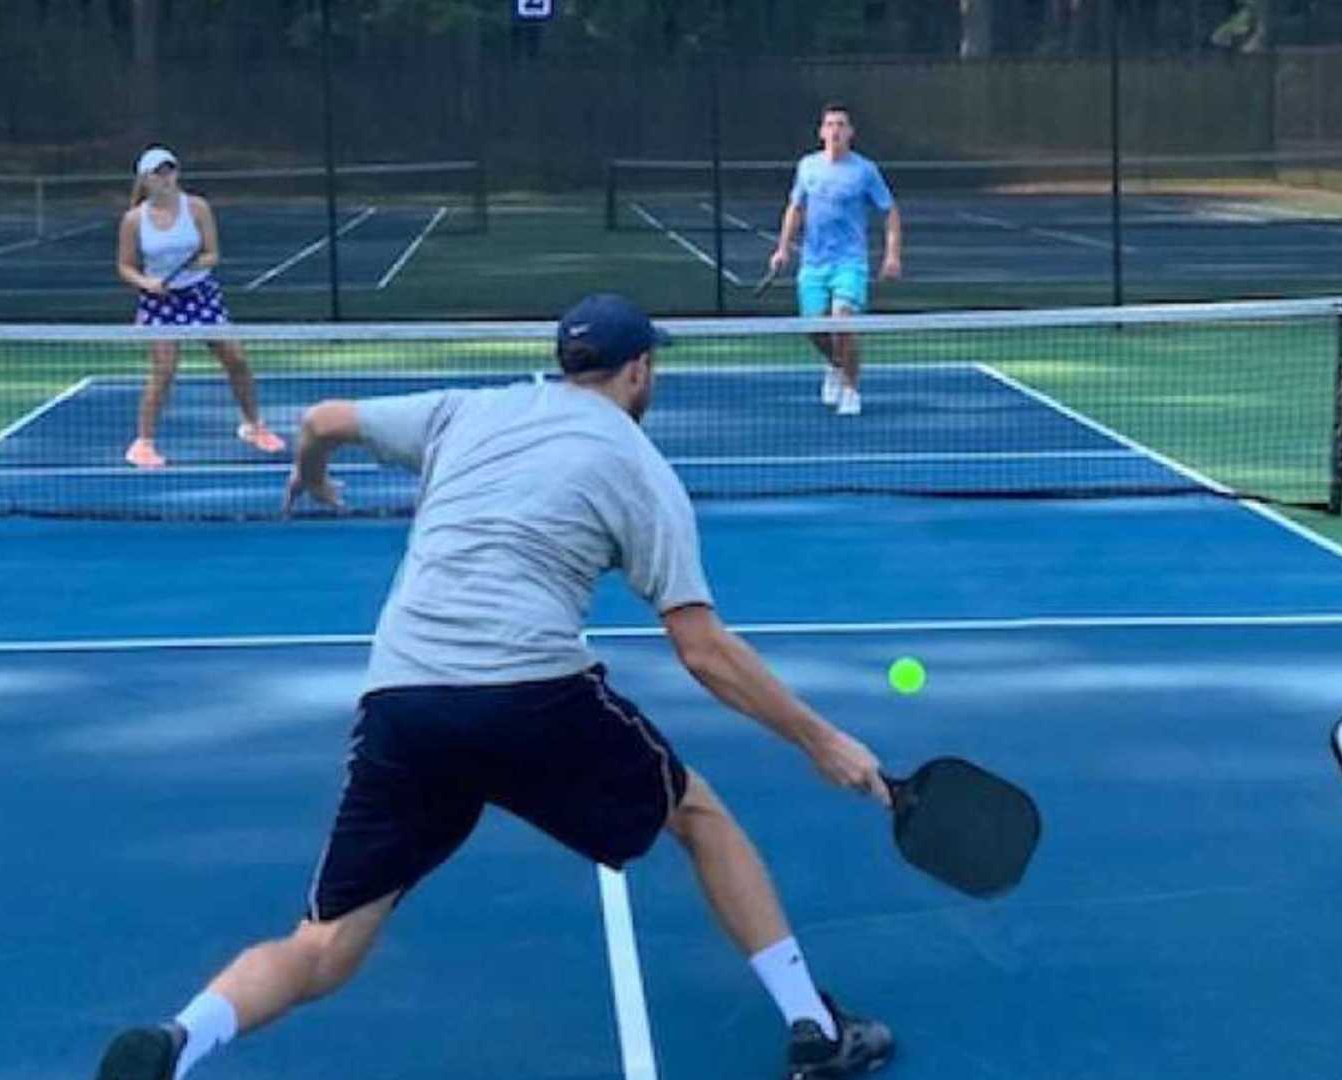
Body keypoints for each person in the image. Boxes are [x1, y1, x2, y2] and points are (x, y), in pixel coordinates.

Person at [93, 293, 898, 1080]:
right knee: (698, 816)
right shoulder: (639, 467)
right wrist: (821, 739)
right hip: (528, 695)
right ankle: (814, 1027)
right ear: (639, 371)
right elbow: (702, 649)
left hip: (403, 702)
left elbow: (322, 420)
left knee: (324, 944)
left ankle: (182, 1037)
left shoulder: (468, 410)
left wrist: (312, 478)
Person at [115, 144, 285, 469]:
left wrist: (195, 265)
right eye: (158, 173)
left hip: (200, 294)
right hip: (159, 302)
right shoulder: (134, 220)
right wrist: (147, 283)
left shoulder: (197, 208)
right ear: (145, 180)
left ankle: (253, 426)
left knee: (236, 358)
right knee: (163, 371)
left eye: (170, 170)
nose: (166, 178)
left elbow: (212, 254)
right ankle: (143, 443)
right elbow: (125, 266)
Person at [767, 103, 903, 418]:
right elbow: (796, 208)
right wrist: (783, 248)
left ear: (851, 133)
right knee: (814, 327)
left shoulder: (865, 171)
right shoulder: (807, 167)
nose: (835, 130)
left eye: (841, 125)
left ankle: (852, 389)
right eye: (830, 124)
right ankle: (835, 365)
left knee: (842, 321)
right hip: (813, 263)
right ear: (821, 132)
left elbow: (890, 211)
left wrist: (892, 255)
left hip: (850, 262)